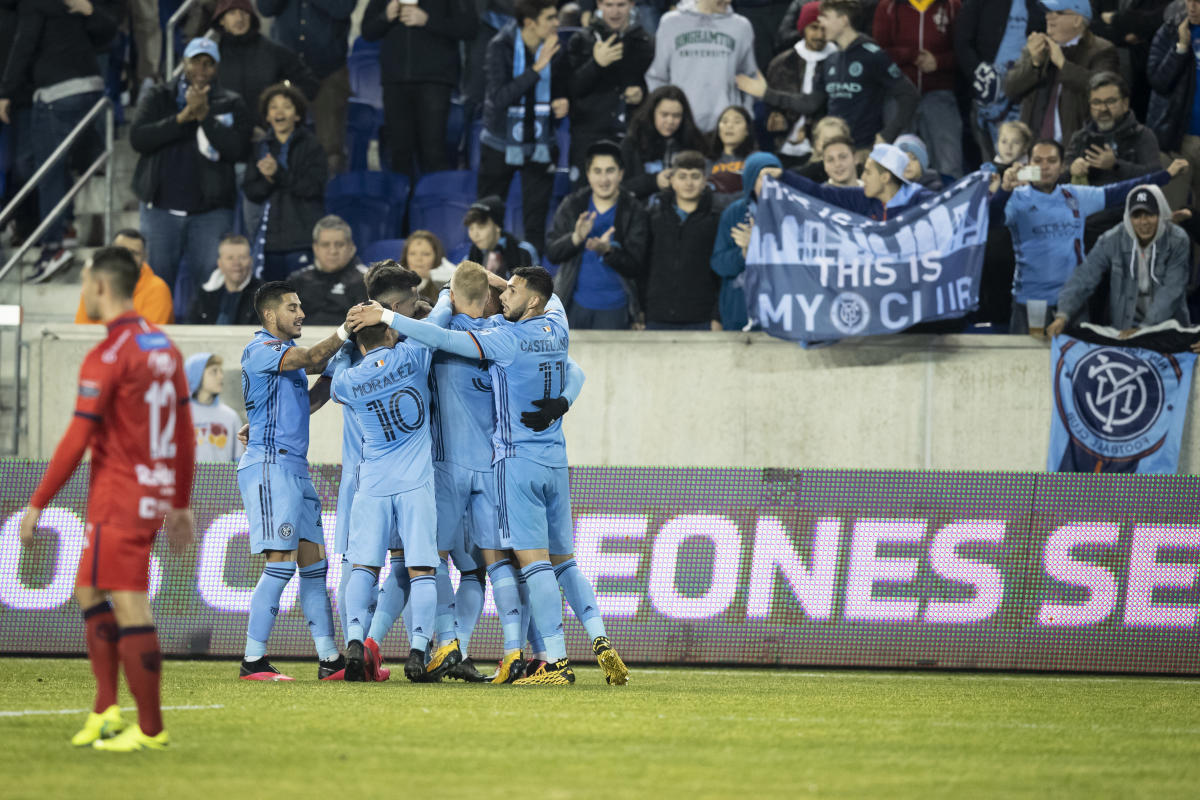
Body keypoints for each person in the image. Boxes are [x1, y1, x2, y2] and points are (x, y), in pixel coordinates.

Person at [347, 266, 631, 687]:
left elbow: (438, 336)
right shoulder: (532, 327)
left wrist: (396, 315)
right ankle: (520, 652)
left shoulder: (447, 335)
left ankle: (437, 644)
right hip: (517, 462)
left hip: (454, 467)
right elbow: (574, 368)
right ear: (490, 297)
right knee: (501, 566)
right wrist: (562, 402)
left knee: (425, 563)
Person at [19, 246, 195, 752]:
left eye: (84, 283)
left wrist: (37, 503)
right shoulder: (163, 344)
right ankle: (105, 708)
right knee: (89, 590)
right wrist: (180, 502)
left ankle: (152, 728)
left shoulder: (110, 354)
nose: (83, 292)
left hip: (121, 492)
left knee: (130, 602)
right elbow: (184, 432)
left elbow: (77, 437)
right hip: (151, 489)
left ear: (100, 286)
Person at [329, 280, 443, 683]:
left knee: (362, 567)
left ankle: (356, 641)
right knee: (421, 571)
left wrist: (348, 337)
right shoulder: (412, 356)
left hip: (372, 483)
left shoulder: (347, 381)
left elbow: (334, 368)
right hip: (415, 483)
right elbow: (438, 321)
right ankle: (416, 651)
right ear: (391, 331)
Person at [236, 281, 348, 681]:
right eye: (292, 307)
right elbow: (315, 356)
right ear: (270, 315)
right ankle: (253, 661)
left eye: (300, 306)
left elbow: (313, 399)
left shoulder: (285, 358)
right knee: (281, 564)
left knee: (315, 566)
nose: (300, 313)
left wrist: (340, 367)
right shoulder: (261, 350)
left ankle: (330, 660)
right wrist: (347, 331)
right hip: (269, 467)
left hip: (295, 469)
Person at [993, 138, 1187, 333]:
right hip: (1030, 303)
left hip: (1073, 302)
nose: (1044, 167)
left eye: (1051, 161)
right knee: (1025, 362)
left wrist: (1166, 175)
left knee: (1078, 362)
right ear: (1028, 165)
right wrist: (1003, 191)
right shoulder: (1016, 199)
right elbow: (992, 221)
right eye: (1038, 160)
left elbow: (1123, 190)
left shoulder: (1075, 196)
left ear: (1062, 167)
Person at [130, 38, 251, 318]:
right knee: (157, 285)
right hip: (160, 209)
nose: (201, 68)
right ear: (183, 63)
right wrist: (182, 118)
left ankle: (209, 351)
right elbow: (139, 138)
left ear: (216, 67)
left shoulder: (231, 102)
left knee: (211, 288)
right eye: (195, 61)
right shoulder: (160, 96)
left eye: (208, 63)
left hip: (209, 214)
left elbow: (238, 149)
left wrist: (205, 116)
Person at [0, 0, 116, 282]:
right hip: (91, 89)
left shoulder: (33, 5)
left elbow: (24, 44)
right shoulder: (64, 3)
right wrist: (90, 10)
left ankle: (53, 248)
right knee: (59, 164)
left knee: (48, 172)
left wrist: (6, 92)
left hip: (56, 94)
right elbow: (108, 33)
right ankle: (64, 230)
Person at [739, 0, 920, 152]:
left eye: (825, 17)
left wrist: (888, 134)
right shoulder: (831, 59)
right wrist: (766, 94)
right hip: (832, 150)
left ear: (843, 20)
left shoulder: (872, 55)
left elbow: (909, 94)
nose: (821, 23)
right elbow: (810, 104)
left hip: (862, 151)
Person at [478, 0, 569, 256]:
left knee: (535, 222)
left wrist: (563, 101)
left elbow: (562, 88)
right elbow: (499, 99)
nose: (557, 24)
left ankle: (534, 284)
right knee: (487, 219)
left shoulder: (557, 48)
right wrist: (537, 68)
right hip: (499, 143)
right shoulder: (500, 46)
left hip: (540, 144)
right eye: (550, 18)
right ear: (530, 22)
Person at [1048, 183, 1192, 335]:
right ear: (1128, 217)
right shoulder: (1113, 238)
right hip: (1125, 326)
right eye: (1136, 216)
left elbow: (1172, 290)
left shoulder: (1177, 240)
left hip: (1167, 327)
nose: (1143, 222)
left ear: (1160, 214)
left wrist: (1143, 330)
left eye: (1150, 215)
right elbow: (1085, 276)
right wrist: (1063, 315)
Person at [361, 0, 476, 177]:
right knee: (399, 152)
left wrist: (427, 20)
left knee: (433, 152)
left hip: (435, 79)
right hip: (395, 80)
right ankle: (402, 203)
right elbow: (367, 31)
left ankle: (434, 202)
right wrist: (385, 16)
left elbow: (468, 27)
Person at [545, 140, 649, 329]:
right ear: (588, 174)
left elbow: (637, 264)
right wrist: (575, 238)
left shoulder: (634, 209)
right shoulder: (573, 204)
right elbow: (552, 252)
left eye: (610, 171)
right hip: (574, 306)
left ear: (621, 174)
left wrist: (608, 251)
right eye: (597, 171)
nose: (604, 179)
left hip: (617, 309)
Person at [1003, 0, 1118, 148]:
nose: (1049, 17)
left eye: (1058, 13)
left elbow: (1104, 91)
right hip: (1035, 150)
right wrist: (1034, 64)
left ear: (1077, 20)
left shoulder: (1102, 50)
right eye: (1048, 12)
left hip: (1077, 149)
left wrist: (1063, 65)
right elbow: (1010, 90)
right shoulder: (1037, 47)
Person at [243, 82, 328, 282]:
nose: (279, 111)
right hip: (268, 243)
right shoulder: (260, 148)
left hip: (302, 239)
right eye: (274, 107)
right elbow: (251, 191)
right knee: (271, 303)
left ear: (297, 115)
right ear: (267, 116)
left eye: (287, 106)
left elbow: (312, 187)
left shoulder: (311, 146)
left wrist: (278, 173)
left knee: (300, 300)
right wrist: (268, 179)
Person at [258, 0, 355, 173]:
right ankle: (285, 195)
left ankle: (330, 195)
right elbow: (265, 8)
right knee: (283, 144)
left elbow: (344, 8)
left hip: (329, 70)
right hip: (287, 71)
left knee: (330, 148)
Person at [872, 0, 963, 179]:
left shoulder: (952, 6)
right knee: (896, 165)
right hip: (899, 96)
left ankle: (951, 205)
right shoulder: (888, 6)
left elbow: (963, 51)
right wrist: (910, 55)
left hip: (939, 93)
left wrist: (939, 62)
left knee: (949, 164)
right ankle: (898, 207)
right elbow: (878, 53)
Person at [565, 0, 655, 180]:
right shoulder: (581, 40)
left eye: (621, 5)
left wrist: (642, 94)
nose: (615, 12)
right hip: (588, 135)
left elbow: (655, 89)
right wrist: (596, 65)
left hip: (630, 136)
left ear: (631, 5)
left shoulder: (645, 43)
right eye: (609, 4)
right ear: (599, 5)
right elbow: (570, 89)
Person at [644, 0, 759, 133]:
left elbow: (749, 77)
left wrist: (746, 115)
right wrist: (668, 116)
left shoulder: (741, 26)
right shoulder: (670, 23)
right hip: (681, 125)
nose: (728, 1)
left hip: (724, 128)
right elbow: (658, 76)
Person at [954, 0, 1045, 163]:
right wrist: (980, 77)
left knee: (1028, 161)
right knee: (992, 161)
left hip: (1028, 92)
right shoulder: (978, 4)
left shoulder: (1041, 5)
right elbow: (962, 41)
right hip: (987, 96)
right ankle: (995, 185)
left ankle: (1024, 186)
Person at [642, 151, 722, 329]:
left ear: (704, 181)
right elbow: (643, 267)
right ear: (672, 180)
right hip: (657, 316)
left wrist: (717, 315)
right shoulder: (653, 218)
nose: (688, 183)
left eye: (695, 176)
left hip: (701, 317)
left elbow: (721, 275)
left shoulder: (716, 220)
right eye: (682, 176)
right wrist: (640, 310)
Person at [209, 0, 319, 130]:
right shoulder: (212, 54)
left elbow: (309, 84)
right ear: (221, 20)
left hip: (267, 135)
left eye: (244, 13)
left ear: (252, 17)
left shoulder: (273, 51)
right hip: (226, 134)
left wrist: (284, 105)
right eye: (232, 13)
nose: (239, 19)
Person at [759, 142, 940, 220]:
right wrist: (783, 176)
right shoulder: (862, 198)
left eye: (868, 172)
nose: (862, 178)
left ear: (885, 177)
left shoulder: (925, 202)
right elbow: (820, 193)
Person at [711, 151, 782, 330]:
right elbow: (719, 264)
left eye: (776, 177)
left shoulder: (795, 212)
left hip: (782, 312)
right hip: (739, 313)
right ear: (751, 181)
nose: (771, 183)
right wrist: (744, 252)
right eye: (763, 177)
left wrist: (758, 245)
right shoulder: (733, 213)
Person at [761, 2, 837, 164]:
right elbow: (770, 100)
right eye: (814, 28)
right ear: (803, 29)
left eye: (824, 29)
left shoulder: (839, 62)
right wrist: (776, 115)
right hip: (782, 147)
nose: (819, 35)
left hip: (825, 150)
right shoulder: (781, 63)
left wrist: (810, 130)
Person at [1146, 0, 1200, 210]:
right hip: (1176, 139)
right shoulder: (1169, 30)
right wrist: (1180, 48)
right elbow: (1158, 81)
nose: (1192, 7)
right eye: (1189, 0)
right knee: (1170, 214)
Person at [1066, 72, 1162, 185]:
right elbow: (1060, 177)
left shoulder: (1142, 135)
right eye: (1096, 102)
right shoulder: (1080, 138)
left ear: (1125, 104)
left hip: (1129, 200)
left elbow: (1157, 177)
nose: (1103, 109)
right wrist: (1072, 169)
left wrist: (1116, 165)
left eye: (1110, 101)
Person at [619, 85, 707, 201]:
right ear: (652, 113)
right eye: (664, 115)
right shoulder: (632, 141)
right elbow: (618, 187)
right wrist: (654, 181)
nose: (670, 121)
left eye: (676, 116)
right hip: (642, 213)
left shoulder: (693, 141)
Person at [74, 230, 173, 325]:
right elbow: (81, 330)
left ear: (144, 257)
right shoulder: (95, 282)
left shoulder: (157, 289)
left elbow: (148, 336)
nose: (127, 257)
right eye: (121, 251)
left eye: (134, 253)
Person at [286, 216, 368, 326]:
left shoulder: (365, 281)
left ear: (351, 248)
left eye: (339, 244)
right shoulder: (297, 281)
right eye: (325, 245)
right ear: (315, 248)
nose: (333, 251)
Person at [186, 234, 262, 325]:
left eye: (242, 257)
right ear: (220, 264)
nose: (236, 263)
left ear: (251, 262)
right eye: (230, 258)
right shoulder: (203, 295)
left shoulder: (264, 296)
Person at [186, 352, 245, 463]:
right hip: (188, 479)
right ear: (196, 374)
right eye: (214, 371)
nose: (220, 376)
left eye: (221, 371)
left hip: (220, 479)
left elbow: (239, 461)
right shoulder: (181, 414)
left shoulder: (230, 417)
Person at [464, 195, 539, 278]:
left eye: (481, 227)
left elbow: (534, 289)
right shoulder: (469, 257)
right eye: (471, 228)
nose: (475, 234)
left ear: (497, 226)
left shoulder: (525, 251)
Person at [707, 105, 757, 195]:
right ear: (718, 130)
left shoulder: (756, 160)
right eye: (724, 121)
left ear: (747, 130)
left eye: (737, 122)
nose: (729, 126)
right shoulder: (707, 162)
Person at [402, 231, 456, 303]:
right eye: (412, 254)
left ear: (436, 257)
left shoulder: (447, 286)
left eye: (426, 254)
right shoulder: (395, 283)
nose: (418, 259)